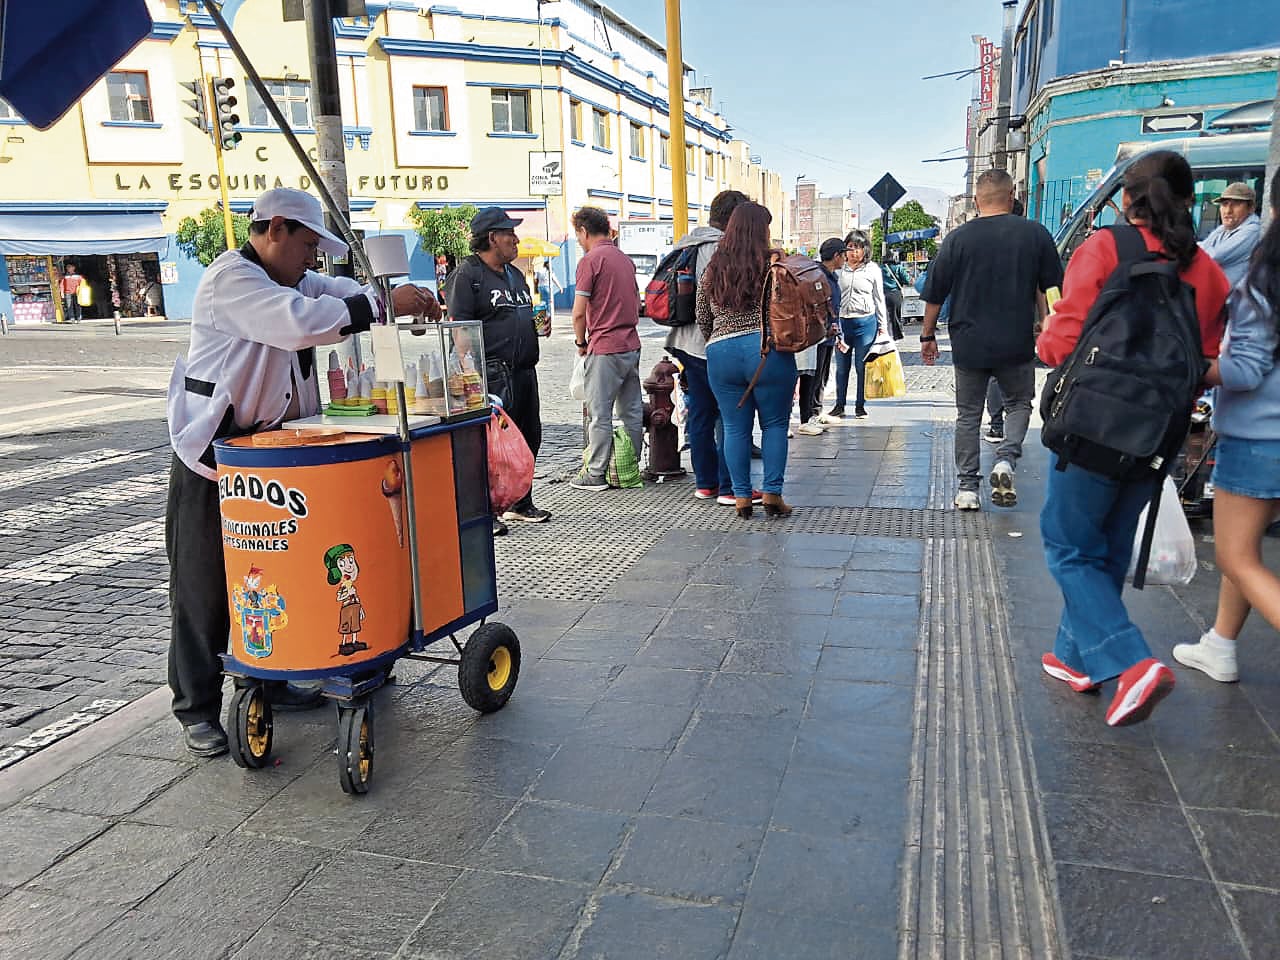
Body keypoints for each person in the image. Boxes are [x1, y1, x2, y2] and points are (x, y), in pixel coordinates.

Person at [166, 187, 442, 757]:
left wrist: (391, 295)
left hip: (272, 451)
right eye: (307, 245)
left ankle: (272, 678)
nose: (312, 259)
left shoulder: (294, 278)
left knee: (275, 569)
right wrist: (372, 305)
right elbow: (299, 324)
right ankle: (196, 705)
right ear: (274, 231)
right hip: (213, 451)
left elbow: (339, 294)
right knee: (204, 582)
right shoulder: (232, 281)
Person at [1036, 151, 1229, 726]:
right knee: (1110, 545)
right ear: (1193, 200)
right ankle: (1077, 659)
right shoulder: (1209, 270)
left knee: (1068, 546)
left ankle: (1129, 661)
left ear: (1128, 198)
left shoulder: (1106, 248)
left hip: (1093, 425)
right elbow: (1209, 360)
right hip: (1159, 433)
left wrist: (1049, 336)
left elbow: (1060, 344)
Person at [1173, 175, 1280, 683]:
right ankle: (1220, 643)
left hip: (1262, 437)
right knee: (1248, 546)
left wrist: (1193, 367)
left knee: (1236, 555)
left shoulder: (1266, 284)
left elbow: (1245, 370)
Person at [922, 169, 1063, 510]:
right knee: (1018, 404)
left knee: (968, 415)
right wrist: (1050, 323)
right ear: (1012, 196)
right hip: (1016, 340)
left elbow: (935, 293)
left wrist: (927, 335)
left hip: (969, 341)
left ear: (976, 200)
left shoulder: (957, 239)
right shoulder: (1035, 234)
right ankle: (1005, 458)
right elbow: (1053, 288)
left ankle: (968, 489)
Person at [446, 207, 549, 531]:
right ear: (492, 238)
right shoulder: (469, 275)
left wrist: (536, 326)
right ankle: (485, 512)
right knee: (487, 448)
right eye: (509, 234)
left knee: (528, 436)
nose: (516, 240)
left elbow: (522, 314)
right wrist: (471, 379)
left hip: (523, 371)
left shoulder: (514, 275)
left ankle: (519, 502)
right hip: (489, 374)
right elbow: (459, 328)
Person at [663, 191, 764, 504]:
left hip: (683, 342)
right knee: (732, 417)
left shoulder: (687, 243)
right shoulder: (722, 248)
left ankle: (705, 483)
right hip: (711, 344)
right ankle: (730, 487)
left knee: (702, 414)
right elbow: (717, 303)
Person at [696, 202, 796, 518]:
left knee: (734, 427)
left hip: (720, 352)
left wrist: (719, 336)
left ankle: (740, 497)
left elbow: (702, 314)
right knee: (775, 424)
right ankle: (772, 494)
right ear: (760, 231)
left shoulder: (714, 267)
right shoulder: (773, 266)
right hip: (766, 350)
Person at [570, 206, 644, 492]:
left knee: (599, 413)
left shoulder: (590, 261)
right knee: (631, 411)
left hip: (604, 346)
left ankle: (596, 473)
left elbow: (578, 313)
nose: (578, 240)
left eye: (578, 235)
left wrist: (580, 343)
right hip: (631, 345)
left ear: (584, 232)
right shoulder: (625, 260)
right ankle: (628, 468)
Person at [830, 230, 885, 419]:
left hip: (865, 324)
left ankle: (860, 406)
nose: (854, 252)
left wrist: (882, 325)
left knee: (862, 367)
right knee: (842, 367)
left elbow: (879, 299)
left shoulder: (872, 270)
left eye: (858, 248)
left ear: (865, 250)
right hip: (842, 324)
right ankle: (839, 405)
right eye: (851, 247)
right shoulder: (838, 270)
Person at [798, 238, 845, 435]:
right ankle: (806, 416)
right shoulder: (818, 276)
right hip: (817, 334)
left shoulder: (830, 276)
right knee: (812, 376)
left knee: (822, 375)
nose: (845, 258)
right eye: (843, 254)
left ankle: (816, 412)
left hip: (828, 333)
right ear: (836, 256)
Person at [1200, 181, 1262, 289]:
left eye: (1236, 204)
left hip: (1231, 301)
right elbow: (1201, 247)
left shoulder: (1253, 230)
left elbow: (1213, 256)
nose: (1228, 211)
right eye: (1224, 204)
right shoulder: (1224, 228)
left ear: (1251, 208)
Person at [533, 257, 563, 326]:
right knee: (549, 302)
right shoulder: (549, 271)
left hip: (540, 287)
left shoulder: (539, 270)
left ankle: (543, 317)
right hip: (547, 287)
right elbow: (554, 279)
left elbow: (535, 279)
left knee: (543, 302)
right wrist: (560, 287)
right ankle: (549, 316)